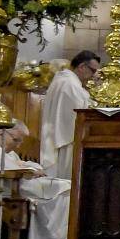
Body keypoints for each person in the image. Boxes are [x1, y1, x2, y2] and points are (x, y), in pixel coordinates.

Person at [0, 123, 71, 239]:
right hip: (14, 186)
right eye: (16, 140)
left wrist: (30, 168)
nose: (18, 145)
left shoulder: (6, 150)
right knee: (65, 190)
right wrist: (30, 169)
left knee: (68, 187)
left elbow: (22, 163)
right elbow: (13, 168)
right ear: (2, 133)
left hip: (22, 183)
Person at [40, 51, 100, 181]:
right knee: (67, 182)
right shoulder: (69, 84)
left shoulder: (65, 80)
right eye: (93, 70)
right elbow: (80, 114)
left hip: (61, 138)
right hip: (66, 141)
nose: (94, 75)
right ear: (82, 67)